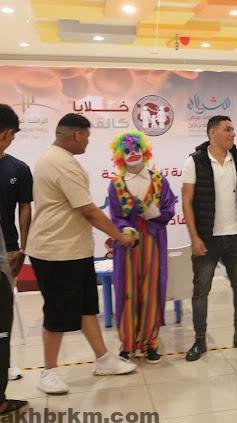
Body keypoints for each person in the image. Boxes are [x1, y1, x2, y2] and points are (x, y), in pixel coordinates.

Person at [26, 114, 137, 395]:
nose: (88, 141)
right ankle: (48, 372)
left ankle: (103, 359)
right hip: (55, 252)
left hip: (74, 250)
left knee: (88, 307)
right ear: (77, 135)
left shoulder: (57, 158)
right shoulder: (62, 164)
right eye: (87, 136)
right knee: (57, 313)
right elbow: (89, 211)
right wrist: (120, 236)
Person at [182, 115, 237, 362]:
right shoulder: (195, 161)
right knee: (201, 291)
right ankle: (199, 340)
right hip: (208, 238)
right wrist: (194, 237)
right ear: (212, 133)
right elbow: (186, 202)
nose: (233, 134)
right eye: (227, 130)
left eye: (233, 130)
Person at [108, 131, 176, 364]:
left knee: (150, 293)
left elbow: (169, 209)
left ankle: (149, 343)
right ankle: (128, 344)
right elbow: (115, 216)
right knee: (127, 292)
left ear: (144, 151)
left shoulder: (159, 180)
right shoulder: (116, 184)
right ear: (121, 156)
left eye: (137, 149)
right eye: (127, 151)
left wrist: (154, 213)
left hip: (153, 244)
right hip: (127, 245)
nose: (133, 153)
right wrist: (124, 228)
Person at [0, 109, 28, 416]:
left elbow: (24, 208)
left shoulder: (17, 168)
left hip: (8, 252)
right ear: (7, 134)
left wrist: (22, 247)